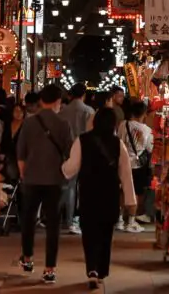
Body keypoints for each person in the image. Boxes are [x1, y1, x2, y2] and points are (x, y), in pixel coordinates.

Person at [63, 107, 136, 291]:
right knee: (105, 234)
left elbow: (71, 168)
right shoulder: (118, 144)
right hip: (109, 194)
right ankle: (102, 271)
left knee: (89, 234)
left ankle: (92, 270)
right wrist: (130, 200)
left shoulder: (82, 140)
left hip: (88, 193)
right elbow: (126, 174)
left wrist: (62, 168)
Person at [17, 83, 73, 285]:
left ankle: (28, 258)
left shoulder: (29, 123)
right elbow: (69, 154)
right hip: (54, 180)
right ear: (58, 102)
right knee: (53, 225)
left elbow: (21, 154)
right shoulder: (63, 125)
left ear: (41, 101)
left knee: (28, 219)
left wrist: (24, 175)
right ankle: (49, 269)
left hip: (31, 178)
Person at [60, 83, 95, 235]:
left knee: (68, 186)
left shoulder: (63, 111)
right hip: (85, 151)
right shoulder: (88, 111)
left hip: (66, 152)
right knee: (84, 187)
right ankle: (79, 218)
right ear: (84, 95)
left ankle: (66, 219)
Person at [118, 100, 154, 230]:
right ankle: (131, 221)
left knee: (122, 191)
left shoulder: (123, 124)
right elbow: (150, 149)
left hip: (122, 162)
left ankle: (120, 219)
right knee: (136, 192)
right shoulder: (147, 130)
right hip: (137, 165)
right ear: (143, 114)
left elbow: (119, 140)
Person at [0, 102, 26, 184]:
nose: (18, 114)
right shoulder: (8, 124)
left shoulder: (26, 125)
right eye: (16, 111)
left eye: (20, 111)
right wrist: (2, 152)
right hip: (8, 154)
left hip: (20, 155)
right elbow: (4, 139)